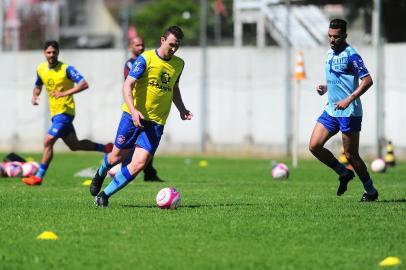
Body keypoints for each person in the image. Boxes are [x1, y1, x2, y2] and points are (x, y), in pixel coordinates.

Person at [90, 26, 193, 207]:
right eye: (171, 44)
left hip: (156, 123)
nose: (174, 49)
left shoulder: (179, 64)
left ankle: (104, 196)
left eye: (177, 46)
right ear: (162, 40)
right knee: (116, 157)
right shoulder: (145, 59)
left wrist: (182, 109)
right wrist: (134, 110)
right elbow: (127, 85)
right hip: (132, 117)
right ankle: (100, 172)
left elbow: (174, 88)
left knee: (139, 164)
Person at [22, 40, 113, 186]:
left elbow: (84, 84)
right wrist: (35, 95)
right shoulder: (41, 69)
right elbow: (38, 84)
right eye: (48, 52)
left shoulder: (67, 69)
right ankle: (107, 148)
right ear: (44, 53)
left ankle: (38, 176)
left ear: (58, 52)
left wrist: (65, 93)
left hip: (65, 112)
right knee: (74, 145)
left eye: (54, 52)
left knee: (47, 141)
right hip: (55, 114)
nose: (51, 55)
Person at [308, 19, 379, 202]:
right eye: (330, 36)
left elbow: (367, 80)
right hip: (332, 110)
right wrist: (325, 87)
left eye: (336, 37)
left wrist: (349, 99)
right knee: (314, 146)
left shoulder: (351, 55)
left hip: (349, 111)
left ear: (345, 36)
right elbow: (339, 80)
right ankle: (343, 173)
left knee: (351, 155)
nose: (332, 40)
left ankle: (371, 191)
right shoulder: (329, 54)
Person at [123, 36, 163, 182]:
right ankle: (120, 169)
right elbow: (133, 82)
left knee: (147, 143)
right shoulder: (130, 64)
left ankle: (149, 173)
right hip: (134, 109)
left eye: (142, 44)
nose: (141, 47)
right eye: (137, 45)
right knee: (128, 145)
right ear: (130, 47)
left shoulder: (148, 60)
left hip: (149, 110)